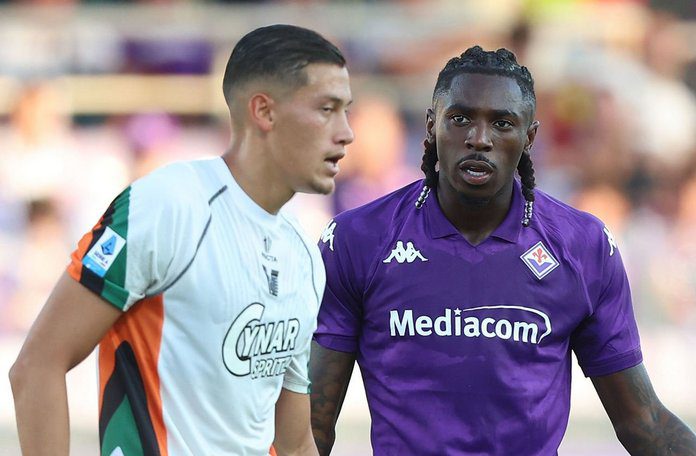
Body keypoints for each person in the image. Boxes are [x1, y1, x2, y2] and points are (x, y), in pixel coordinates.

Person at [309, 46, 696, 455]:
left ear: (529, 137)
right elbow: (314, 424)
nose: (479, 139)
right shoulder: (359, 238)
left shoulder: (584, 247)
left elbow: (643, 421)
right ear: (430, 126)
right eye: (459, 119)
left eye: (502, 123)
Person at [10, 24, 354, 456]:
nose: (346, 132)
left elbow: (295, 443)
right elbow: (36, 366)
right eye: (327, 108)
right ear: (264, 112)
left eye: (346, 111)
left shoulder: (304, 255)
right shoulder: (166, 206)